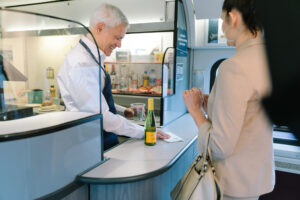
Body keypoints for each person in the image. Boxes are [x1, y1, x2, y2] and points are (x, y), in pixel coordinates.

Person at [182, 0, 275, 199]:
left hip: (231, 185)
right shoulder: (270, 58)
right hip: (252, 179)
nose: (222, 29)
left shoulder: (233, 67)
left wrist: (196, 111)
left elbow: (219, 147)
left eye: (222, 21)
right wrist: (213, 104)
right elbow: (251, 115)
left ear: (232, 18)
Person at [58, 3, 169, 150]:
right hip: (91, 143)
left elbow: (95, 101)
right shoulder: (81, 63)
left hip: (99, 138)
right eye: (117, 37)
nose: (119, 44)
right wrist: (143, 131)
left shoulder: (92, 58)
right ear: (100, 28)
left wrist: (123, 111)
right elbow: (101, 116)